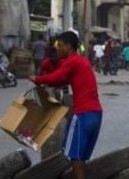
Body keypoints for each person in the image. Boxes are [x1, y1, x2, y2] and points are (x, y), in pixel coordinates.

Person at [30, 31, 102, 179]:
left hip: (82, 114)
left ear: (69, 46)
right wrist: (44, 80)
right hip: (96, 114)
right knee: (81, 156)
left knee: (74, 157)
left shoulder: (72, 61)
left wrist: (37, 79)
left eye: (61, 46)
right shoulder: (82, 61)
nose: (58, 49)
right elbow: (60, 80)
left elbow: (56, 77)